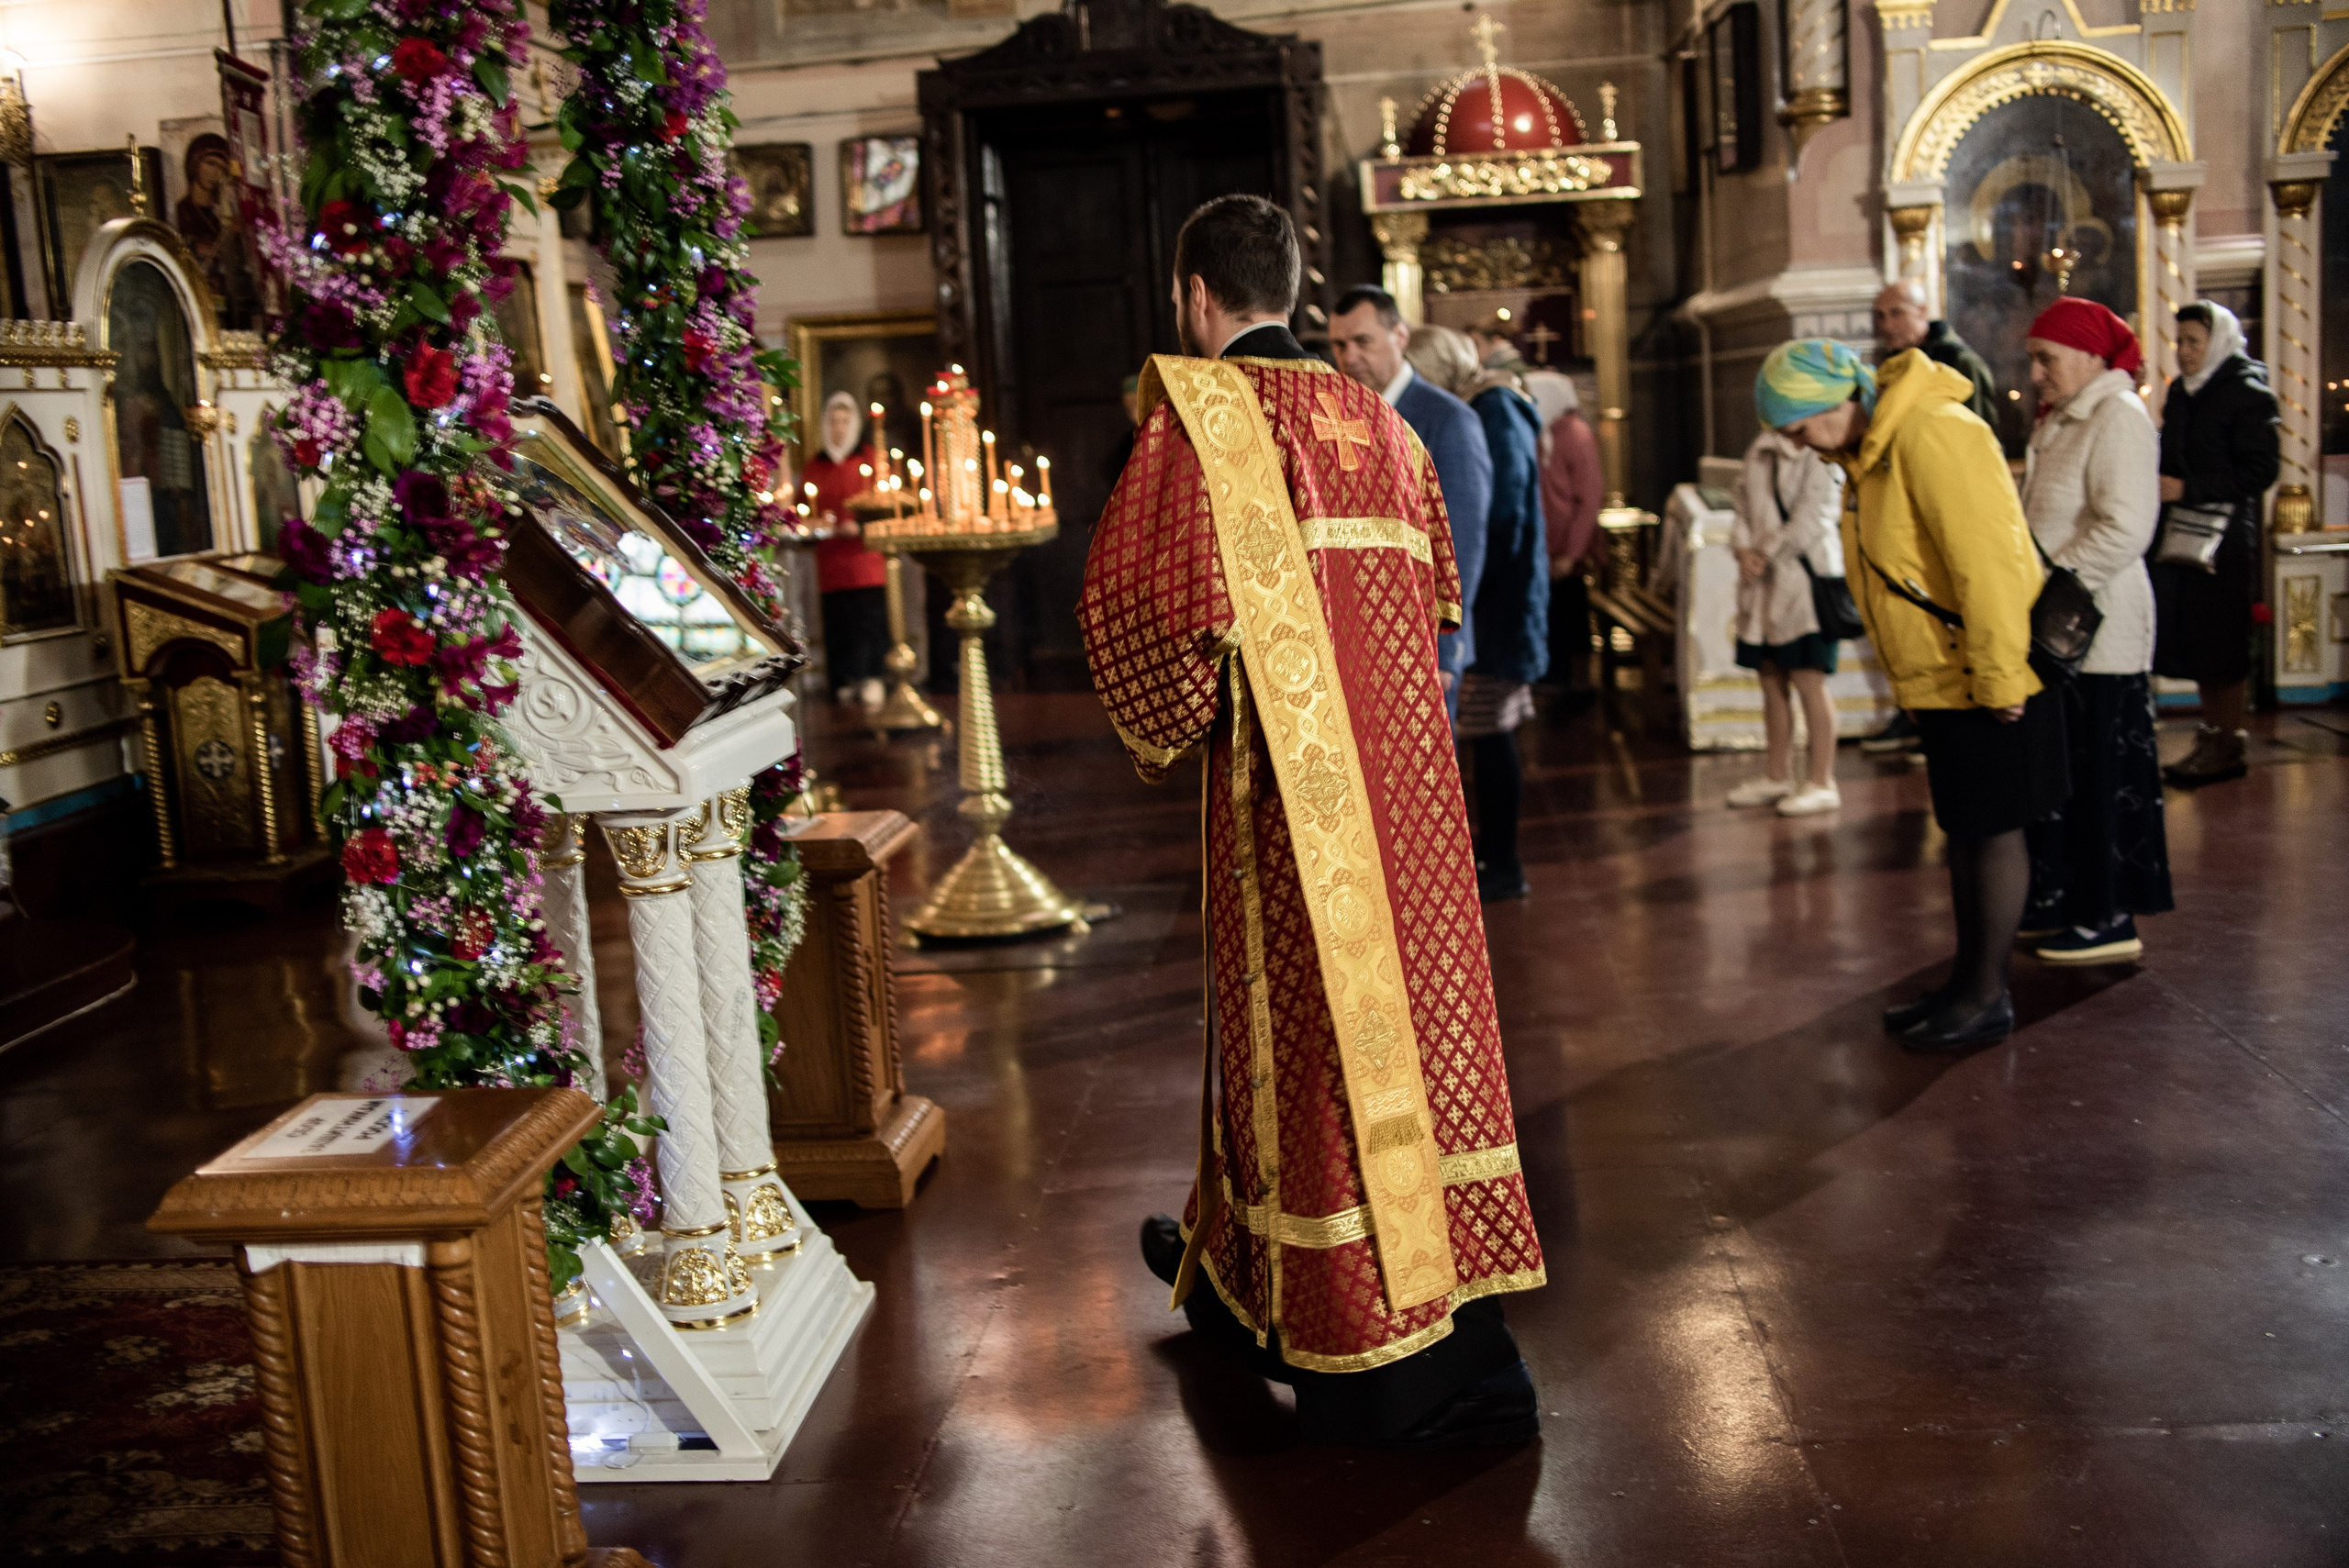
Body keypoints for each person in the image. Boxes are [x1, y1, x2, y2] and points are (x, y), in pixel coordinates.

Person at [1079, 194, 1544, 1449]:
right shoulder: (1382, 425)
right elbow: (1444, 592)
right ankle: (1280, 1274)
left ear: (1194, 296)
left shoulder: (1206, 417)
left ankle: (1347, 1326)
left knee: (1304, 1050)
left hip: (1289, 810)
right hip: (1413, 797)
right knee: (1418, 1044)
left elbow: (1143, 611)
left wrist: (1174, 713)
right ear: (1293, 288)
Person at [1761, 339, 2061, 1051]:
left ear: (1837, 402)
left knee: (1992, 833)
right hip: (1941, 677)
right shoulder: (1870, 449)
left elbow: (1988, 562)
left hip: (1984, 674)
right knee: (1963, 831)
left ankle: (1989, 995)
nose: (1797, 446)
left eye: (1799, 428)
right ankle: (1965, 983)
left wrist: (1998, 675)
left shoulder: (1933, 431)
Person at [2015, 299, 2173, 965]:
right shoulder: (2064, 420)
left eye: (2046, 358)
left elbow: (2126, 526)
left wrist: (2048, 578)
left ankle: (2108, 914)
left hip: (2098, 632)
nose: (2036, 371)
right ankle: (2058, 898)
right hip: (2061, 631)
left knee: (2106, 777)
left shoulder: (2119, 417)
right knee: (2065, 776)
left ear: (2086, 356)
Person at [1404, 324, 1550, 900]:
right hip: (1485, 603)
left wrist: (1462, 586)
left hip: (1494, 604)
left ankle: (1503, 863)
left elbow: (1500, 513)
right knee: (1485, 731)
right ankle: (1488, 859)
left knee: (1492, 733)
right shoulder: (1484, 406)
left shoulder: (1492, 411)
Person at [1860, 280, 2002, 759]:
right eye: (1879, 317)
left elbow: (1972, 450)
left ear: (1925, 311)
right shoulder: (1888, 368)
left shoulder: (1957, 364)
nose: (1886, 326)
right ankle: (1917, 714)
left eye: (1896, 313)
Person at [1330, 284, 1490, 696]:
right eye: (1339, 344)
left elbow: (1461, 545)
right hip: (1358, 642)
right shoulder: (1340, 414)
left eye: (1363, 341)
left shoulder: (1448, 420)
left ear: (1400, 336)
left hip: (1423, 645)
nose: (1350, 357)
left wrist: (1443, 648)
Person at [2154, 301, 2280, 786]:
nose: (2183, 352)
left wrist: (2191, 489)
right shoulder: (2183, 393)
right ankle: (2211, 735)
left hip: (2226, 541)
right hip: (2185, 535)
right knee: (2200, 640)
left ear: (2218, 341)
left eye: (2193, 342)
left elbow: (2261, 470)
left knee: (2224, 642)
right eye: (2179, 342)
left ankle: (2229, 743)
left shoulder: (2246, 392)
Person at [1722, 428, 1847, 816]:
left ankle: (1821, 780)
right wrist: (1743, 548)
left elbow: (1814, 517)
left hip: (1806, 583)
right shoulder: (1760, 447)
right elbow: (1741, 502)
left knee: (1809, 679)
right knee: (1770, 674)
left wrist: (1763, 552)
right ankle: (1777, 773)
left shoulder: (1822, 450)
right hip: (1764, 584)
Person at [800, 391, 889, 707]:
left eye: (844, 421)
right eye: (834, 422)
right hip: (832, 562)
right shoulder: (815, 466)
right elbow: (803, 508)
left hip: (865, 561)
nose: (839, 428)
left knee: (869, 623)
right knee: (838, 625)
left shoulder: (869, 459)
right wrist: (814, 523)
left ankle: (873, 677)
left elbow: (885, 505)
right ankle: (843, 681)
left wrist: (860, 527)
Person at [1528, 364, 1604, 706]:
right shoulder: (1539, 431)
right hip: (1542, 548)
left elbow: (1588, 500)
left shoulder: (1575, 433)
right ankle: (1551, 679)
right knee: (1547, 616)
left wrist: (1571, 553)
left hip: (1565, 553)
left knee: (1571, 615)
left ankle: (1578, 686)